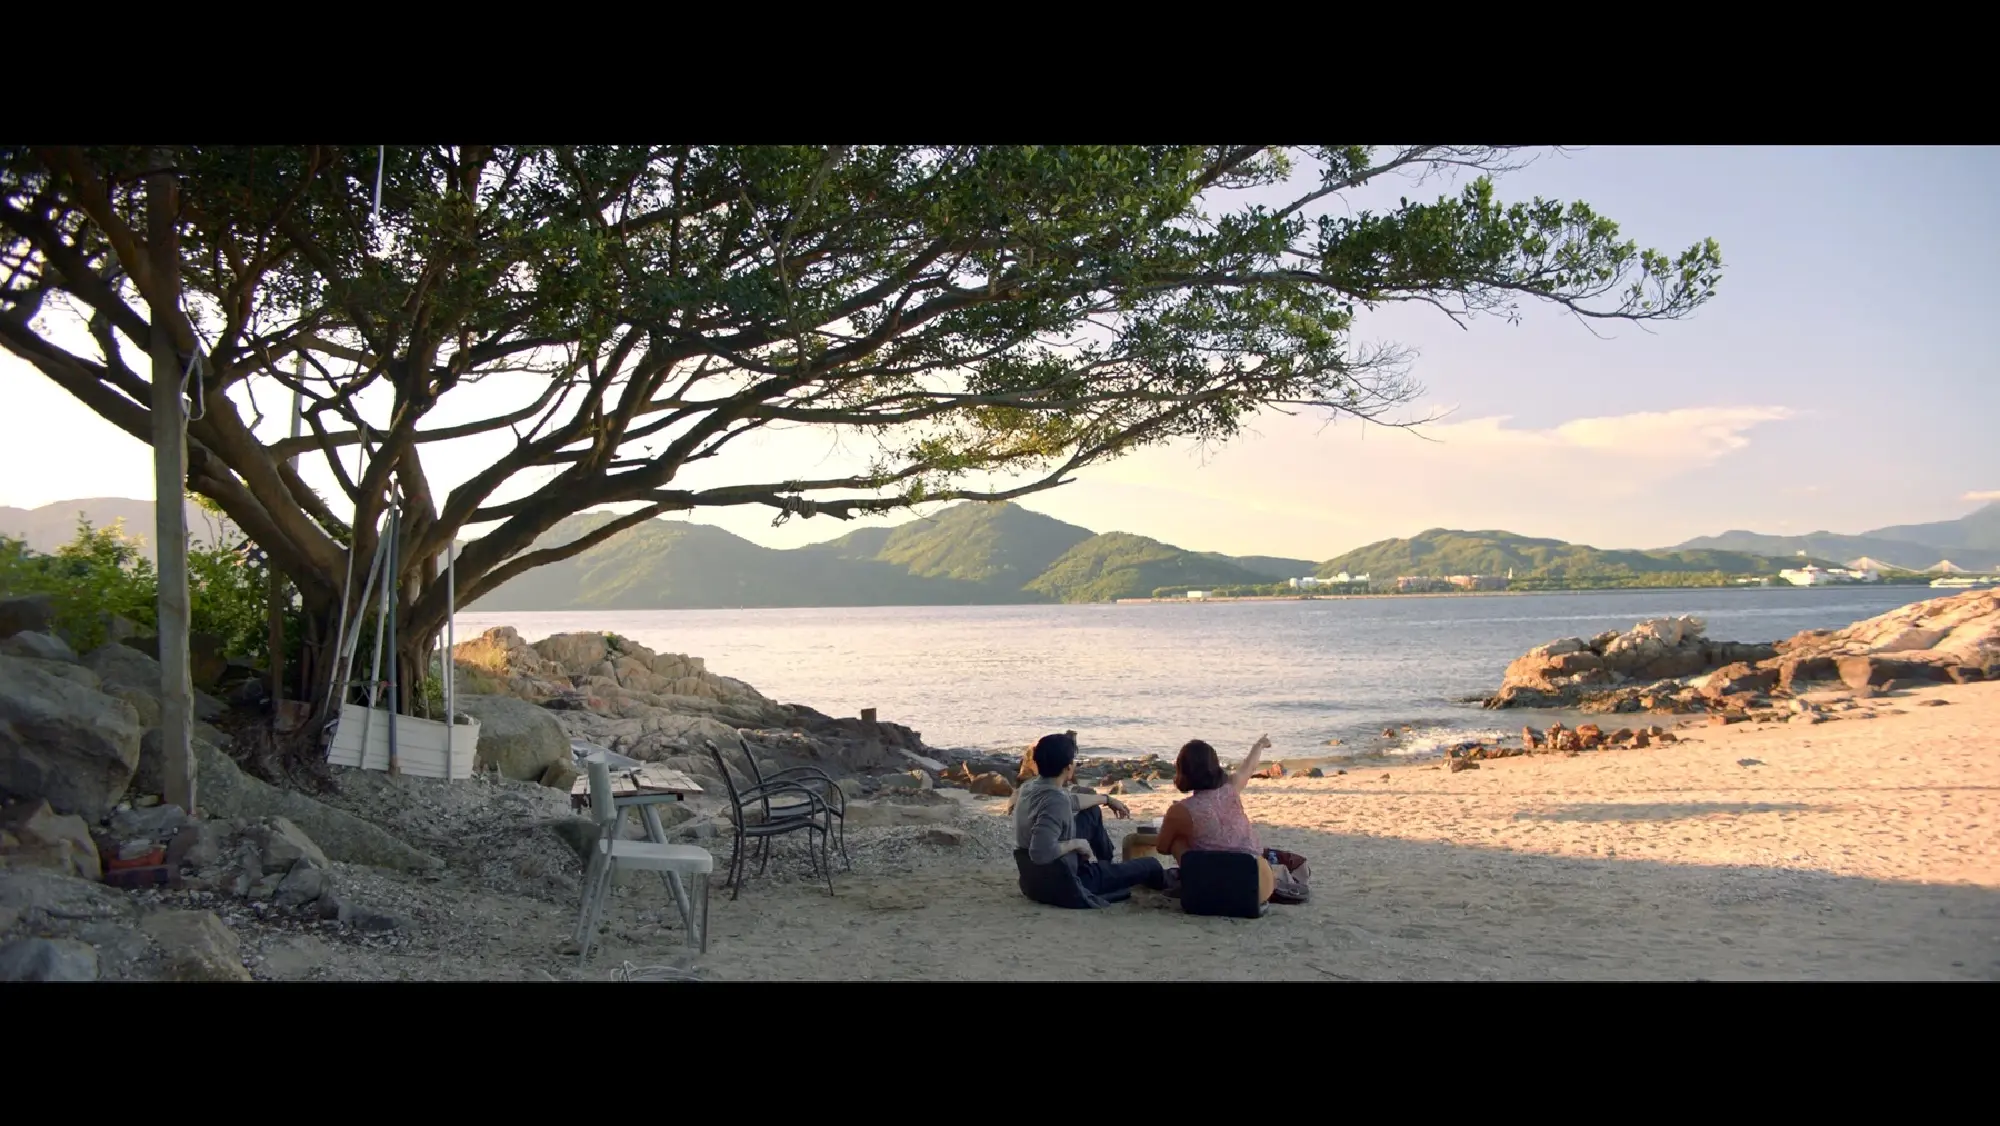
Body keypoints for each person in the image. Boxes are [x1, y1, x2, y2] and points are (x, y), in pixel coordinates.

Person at [1013, 732, 1173, 905]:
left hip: (1035, 879)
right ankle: (1111, 876)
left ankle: (1106, 868)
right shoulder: (1055, 800)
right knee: (1151, 865)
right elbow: (1040, 853)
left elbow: (1071, 801)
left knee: (1092, 811)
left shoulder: (1030, 787)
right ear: (1068, 768)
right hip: (1063, 879)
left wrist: (1107, 799)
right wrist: (1077, 843)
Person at [1153, 734, 1311, 905]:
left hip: (1210, 882)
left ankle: (1189, 880)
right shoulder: (1231, 788)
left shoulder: (1179, 811)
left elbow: (1162, 847)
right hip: (1256, 880)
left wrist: (1177, 829)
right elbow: (1249, 767)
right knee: (1289, 861)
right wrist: (1259, 745)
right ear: (1215, 767)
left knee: (1178, 840)